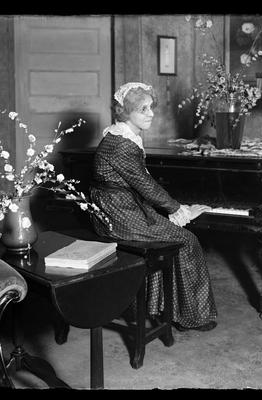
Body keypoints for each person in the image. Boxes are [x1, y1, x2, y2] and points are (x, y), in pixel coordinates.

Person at [89, 82, 218, 332]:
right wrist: (179, 210)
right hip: (117, 216)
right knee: (186, 240)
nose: (150, 114)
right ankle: (190, 316)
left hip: (122, 208)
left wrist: (174, 208)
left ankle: (163, 307)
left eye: (151, 107)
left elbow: (142, 185)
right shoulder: (121, 144)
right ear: (125, 112)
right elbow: (146, 185)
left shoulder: (121, 135)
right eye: (142, 109)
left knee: (172, 236)